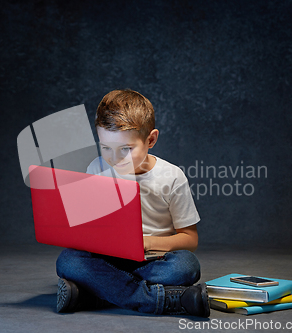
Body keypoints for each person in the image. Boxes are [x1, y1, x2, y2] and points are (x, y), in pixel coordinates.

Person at [55, 89, 209, 317]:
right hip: (108, 261)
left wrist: (146, 243)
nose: (114, 158)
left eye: (126, 149)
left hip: (152, 262)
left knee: (186, 266)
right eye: (105, 147)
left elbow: (190, 239)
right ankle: (165, 299)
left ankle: (94, 294)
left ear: (151, 140)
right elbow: (85, 227)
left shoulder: (172, 176)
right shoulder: (96, 169)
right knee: (68, 261)